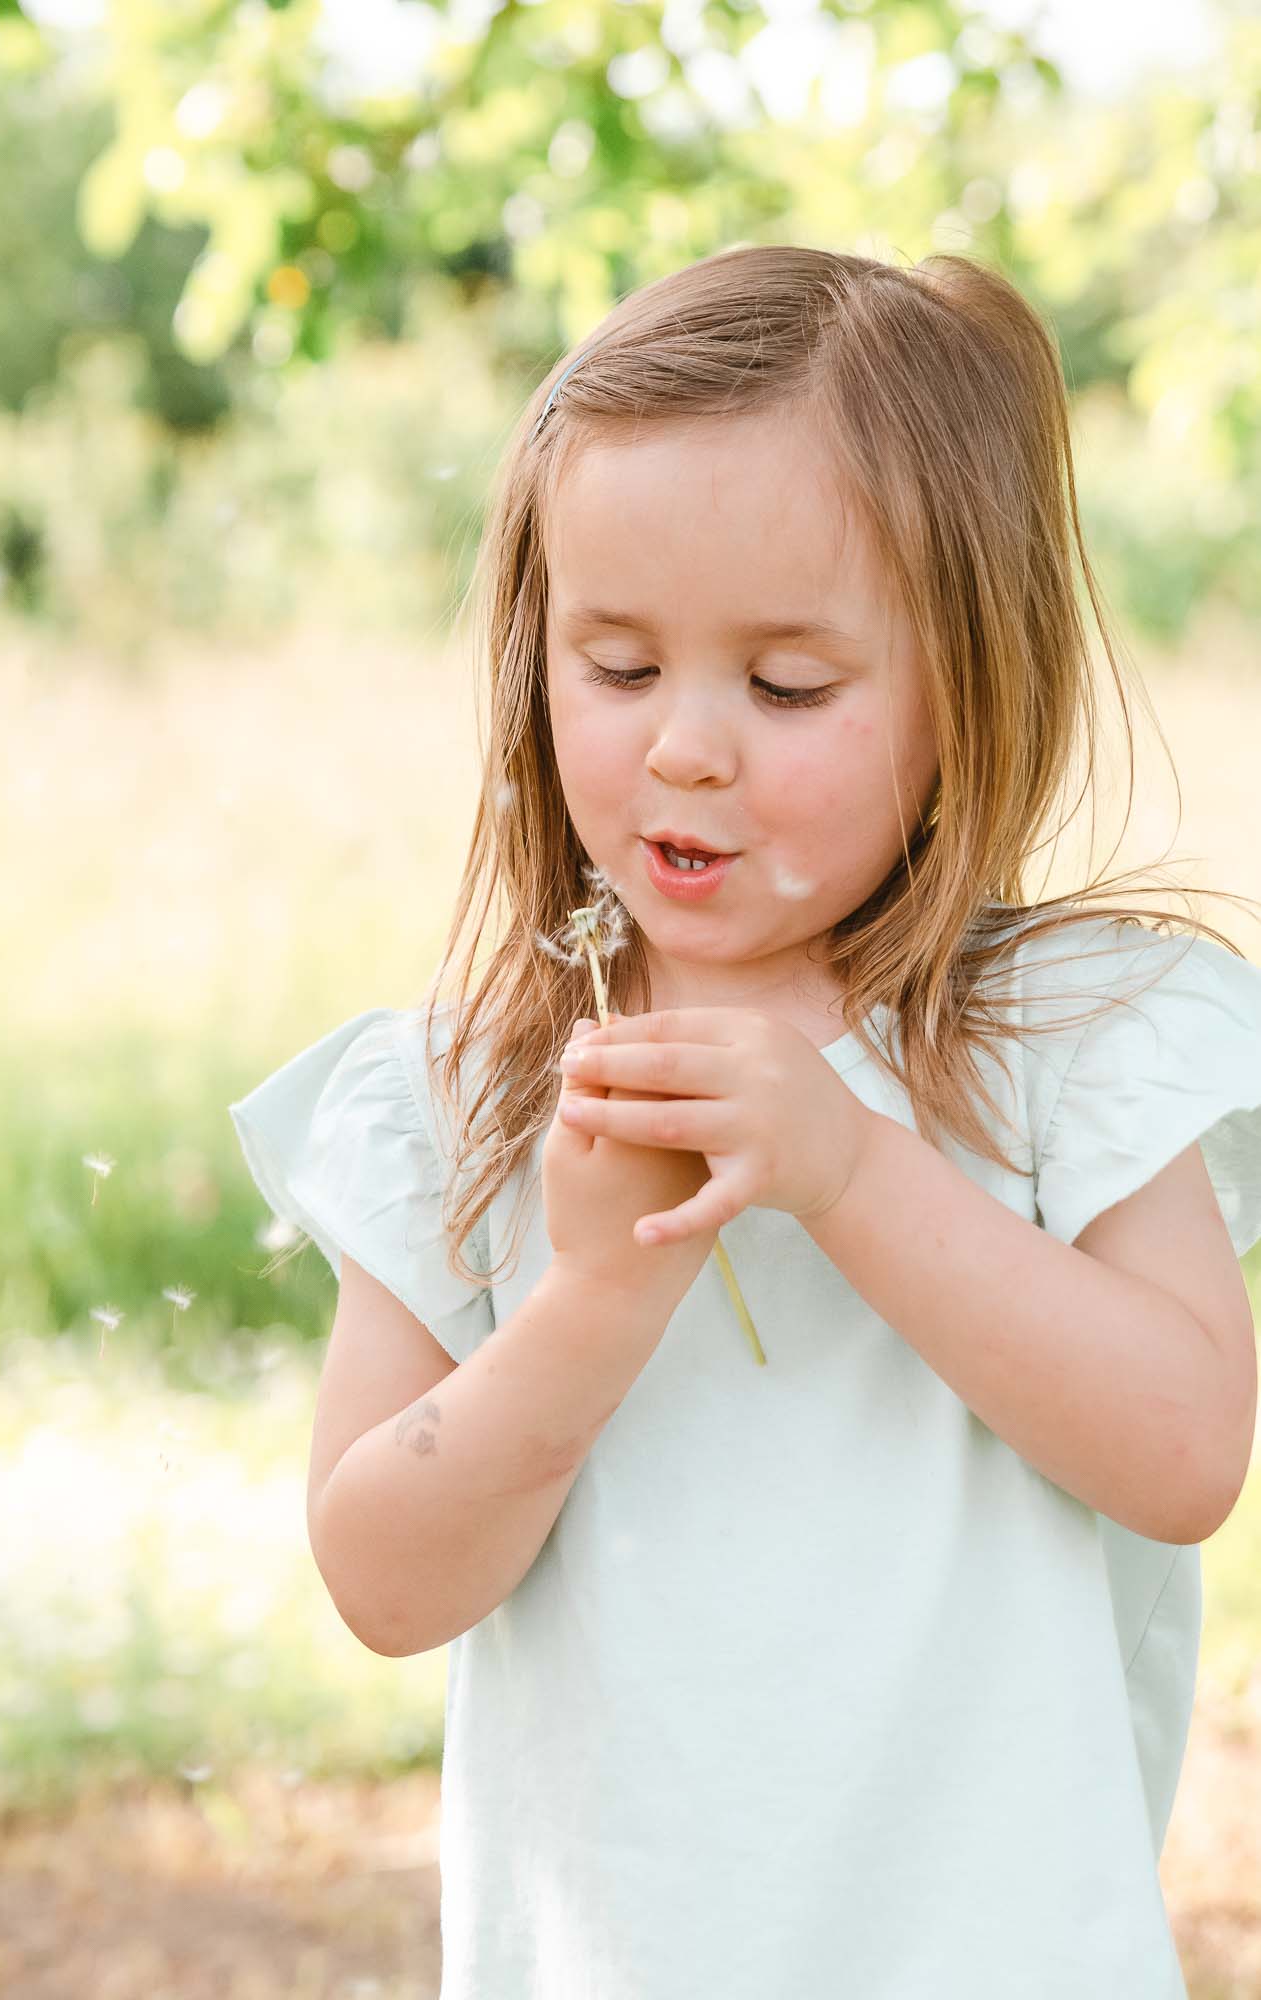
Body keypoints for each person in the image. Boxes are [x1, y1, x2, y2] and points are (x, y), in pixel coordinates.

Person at [229, 245, 1261, 1999]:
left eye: (786, 689)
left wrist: (852, 1169)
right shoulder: (465, 1090)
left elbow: (1180, 1459)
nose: (685, 750)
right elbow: (385, 1581)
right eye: (615, 669)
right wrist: (592, 1294)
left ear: (966, 696)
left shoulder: (1061, 1038)